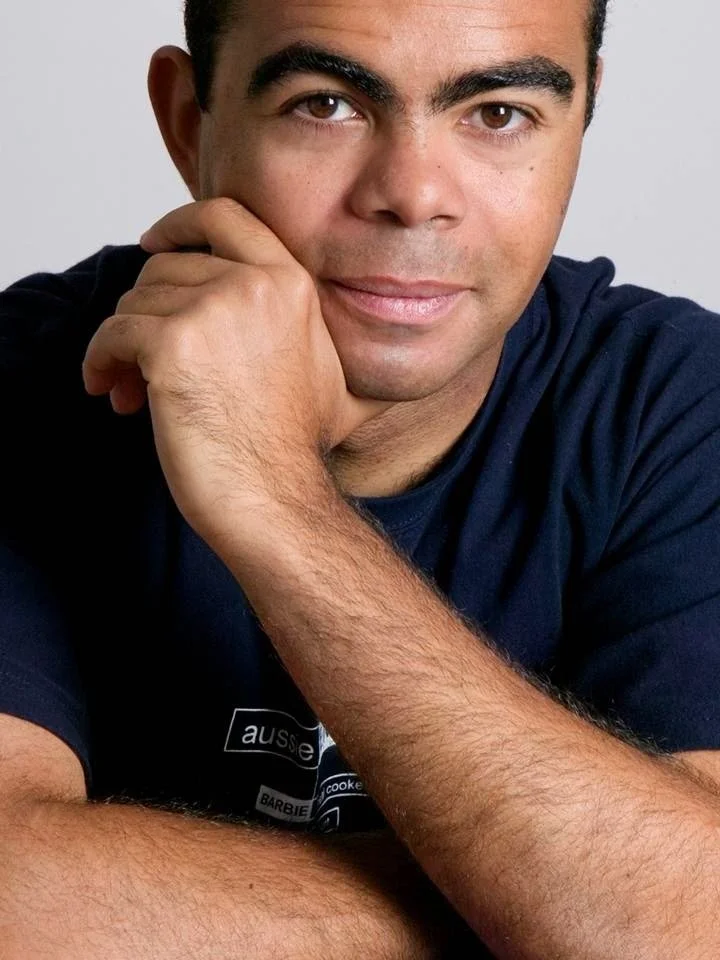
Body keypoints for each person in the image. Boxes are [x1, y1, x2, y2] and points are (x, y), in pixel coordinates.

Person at [2, 0, 720, 955]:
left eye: (499, 114)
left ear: (580, 125)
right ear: (188, 121)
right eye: (326, 104)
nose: (414, 194)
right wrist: (541, 907)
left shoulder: (677, 405)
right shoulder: (21, 382)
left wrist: (275, 498)